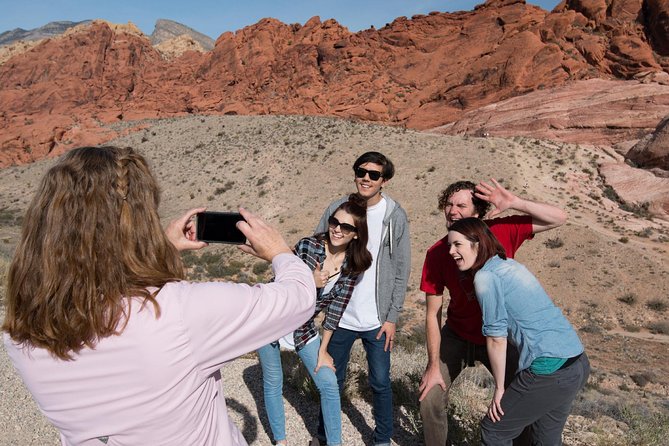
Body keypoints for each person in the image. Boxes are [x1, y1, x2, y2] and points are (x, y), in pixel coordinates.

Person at [2, 146, 316, 446]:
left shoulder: (21, 331)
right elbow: (299, 298)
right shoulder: (178, 315)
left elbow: (95, 283)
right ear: (138, 224)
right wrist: (280, 252)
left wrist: (158, 251)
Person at [419, 179, 568, 446]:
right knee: (430, 395)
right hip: (458, 332)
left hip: (502, 336)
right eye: (448, 205)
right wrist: (432, 366)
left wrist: (515, 203)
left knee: (520, 400)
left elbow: (559, 217)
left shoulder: (501, 231)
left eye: (461, 205)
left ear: (478, 211)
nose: (452, 211)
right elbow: (433, 313)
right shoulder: (439, 253)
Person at [447, 217, 589, 445]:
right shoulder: (509, 265)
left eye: (457, 245)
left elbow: (496, 338)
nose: (452, 251)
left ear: (478, 243)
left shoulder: (486, 277)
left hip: (549, 369)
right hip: (576, 362)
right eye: (449, 246)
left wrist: (501, 388)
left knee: (494, 431)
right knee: (545, 438)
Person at [313, 151, 411, 446]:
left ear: (385, 180)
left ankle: (382, 438)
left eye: (374, 174)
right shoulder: (339, 208)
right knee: (332, 381)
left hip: (376, 319)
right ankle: (323, 436)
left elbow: (401, 269)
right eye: (361, 171)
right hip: (339, 316)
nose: (366, 178)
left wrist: (392, 317)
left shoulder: (394, 216)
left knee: (380, 383)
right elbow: (318, 245)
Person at [257, 195, 372, 446]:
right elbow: (280, 284)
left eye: (346, 227)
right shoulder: (308, 246)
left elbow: (335, 311)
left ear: (356, 234)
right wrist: (310, 281)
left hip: (303, 328)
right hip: (273, 320)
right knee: (273, 381)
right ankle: (280, 441)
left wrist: (323, 350)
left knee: (329, 385)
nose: (337, 229)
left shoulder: (354, 265)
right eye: (334, 222)